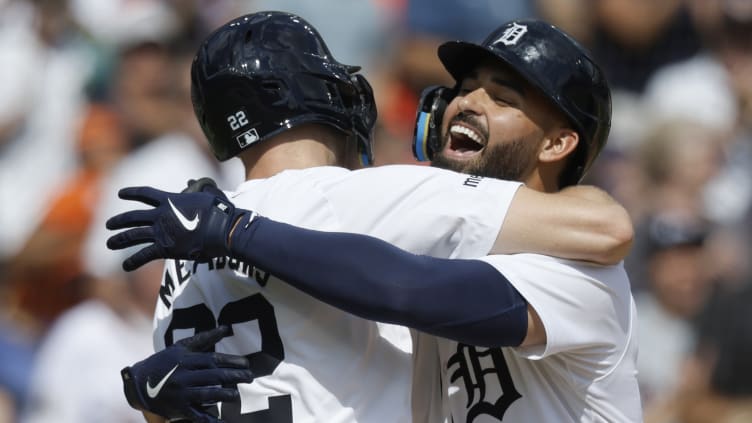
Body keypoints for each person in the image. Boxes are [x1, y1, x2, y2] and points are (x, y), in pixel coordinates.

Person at [107, 13, 636, 422]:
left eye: (500, 97)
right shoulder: (393, 230)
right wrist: (153, 401)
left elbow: (410, 290)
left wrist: (236, 231)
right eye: (463, 89)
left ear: (559, 143)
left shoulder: (579, 274)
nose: (464, 102)